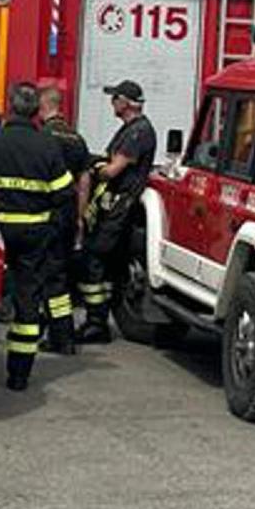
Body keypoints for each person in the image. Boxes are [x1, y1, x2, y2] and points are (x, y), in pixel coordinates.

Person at [0, 82, 73, 392]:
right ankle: (19, 374)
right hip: (34, 235)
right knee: (27, 302)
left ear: (9, 106)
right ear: (36, 111)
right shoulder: (47, 146)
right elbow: (64, 193)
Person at [76, 80, 157, 343]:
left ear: (125, 102)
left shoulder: (138, 132)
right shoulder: (130, 130)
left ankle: (96, 322)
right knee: (104, 262)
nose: (112, 103)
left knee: (94, 259)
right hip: (112, 207)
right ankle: (98, 318)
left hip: (119, 209)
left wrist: (95, 166)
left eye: (115, 99)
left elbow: (112, 170)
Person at [35, 81, 93, 354]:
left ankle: (61, 335)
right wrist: (80, 217)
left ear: (43, 106)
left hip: (48, 214)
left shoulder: (43, 137)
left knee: (51, 277)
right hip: (70, 214)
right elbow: (84, 182)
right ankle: (61, 332)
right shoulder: (77, 138)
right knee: (61, 274)